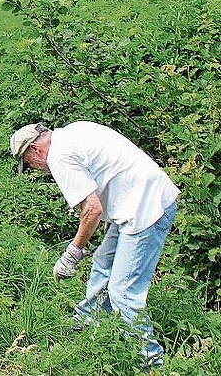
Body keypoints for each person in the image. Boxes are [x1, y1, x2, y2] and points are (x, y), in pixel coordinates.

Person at [10, 121, 179, 369]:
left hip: (146, 211)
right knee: (103, 261)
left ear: (35, 149)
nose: (35, 168)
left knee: (123, 293)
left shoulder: (59, 157)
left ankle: (152, 364)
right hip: (139, 203)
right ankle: (88, 326)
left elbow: (92, 209)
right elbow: (112, 177)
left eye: (29, 162)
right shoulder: (73, 131)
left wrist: (72, 253)